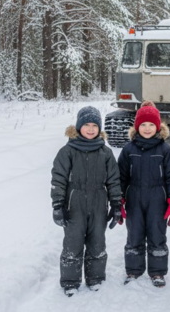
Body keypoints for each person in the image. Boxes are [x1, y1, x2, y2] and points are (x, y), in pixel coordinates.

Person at [50, 106, 123, 296]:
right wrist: (58, 204)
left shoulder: (105, 153)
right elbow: (58, 179)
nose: (90, 129)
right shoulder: (67, 151)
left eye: (94, 126)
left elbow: (114, 180)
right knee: (73, 244)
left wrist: (116, 204)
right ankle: (70, 281)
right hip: (74, 204)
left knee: (97, 242)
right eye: (86, 125)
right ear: (78, 127)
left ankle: (95, 278)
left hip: (99, 202)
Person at [117, 101, 170, 287]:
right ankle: (134, 270)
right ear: (137, 127)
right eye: (143, 125)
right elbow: (120, 177)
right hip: (134, 198)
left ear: (158, 127)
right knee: (134, 235)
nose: (147, 128)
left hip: (157, 199)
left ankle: (157, 272)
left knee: (157, 235)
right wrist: (119, 201)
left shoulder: (165, 150)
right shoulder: (129, 150)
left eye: (151, 125)